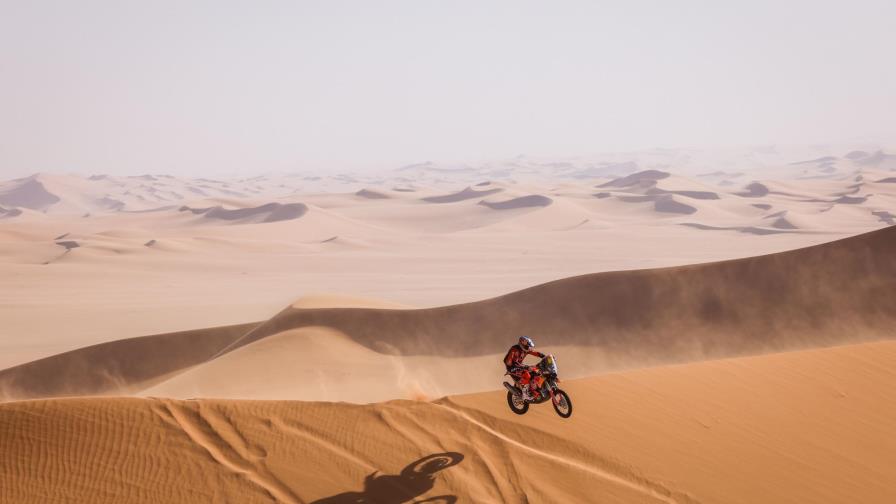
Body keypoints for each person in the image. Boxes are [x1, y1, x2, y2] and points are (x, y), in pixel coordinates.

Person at [503, 336, 545, 401]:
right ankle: (526, 394)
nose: (528, 348)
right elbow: (509, 362)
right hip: (512, 367)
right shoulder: (514, 349)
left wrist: (544, 356)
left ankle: (533, 389)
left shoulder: (526, 350)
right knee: (526, 374)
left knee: (535, 373)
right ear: (522, 344)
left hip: (519, 366)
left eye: (528, 346)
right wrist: (523, 366)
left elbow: (535, 353)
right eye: (527, 346)